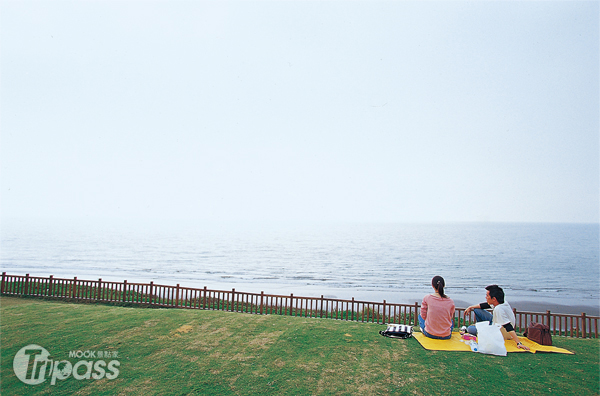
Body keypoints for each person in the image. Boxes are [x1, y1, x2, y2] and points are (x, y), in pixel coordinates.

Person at [464, 284, 530, 350]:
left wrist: (519, 343)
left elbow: (508, 326)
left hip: (501, 332)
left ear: (494, 299)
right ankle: (481, 328)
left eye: (487, 296)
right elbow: (484, 305)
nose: (485, 297)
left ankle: (481, 331)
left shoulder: (499, 309)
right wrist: (470, 307)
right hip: (496, 324)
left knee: (470, 329)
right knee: (477, 309)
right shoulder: (501, 302)